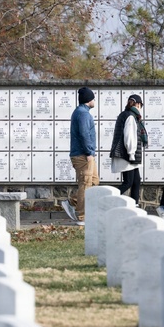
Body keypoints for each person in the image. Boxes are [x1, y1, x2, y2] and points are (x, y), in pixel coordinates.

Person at [63, 86, 97, 224]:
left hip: (86, 154)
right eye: (93, 98)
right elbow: (84, 134)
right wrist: (89, 152)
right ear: (88, 100)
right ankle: (82, 216)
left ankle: (72, 202)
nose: (95, 100)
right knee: (85, 184)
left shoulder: (81, 112)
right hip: (83, 155)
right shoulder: (83, 114)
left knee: (94, 181)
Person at [109, 94, 147, 203]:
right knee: (128, 182)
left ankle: (135, 206)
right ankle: (105, 198)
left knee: (136, 181)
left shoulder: (126, 114)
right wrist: (131, 153)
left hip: (128, 154)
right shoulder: (131, 116)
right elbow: (130, 137)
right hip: (126, 155)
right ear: (138, 104)